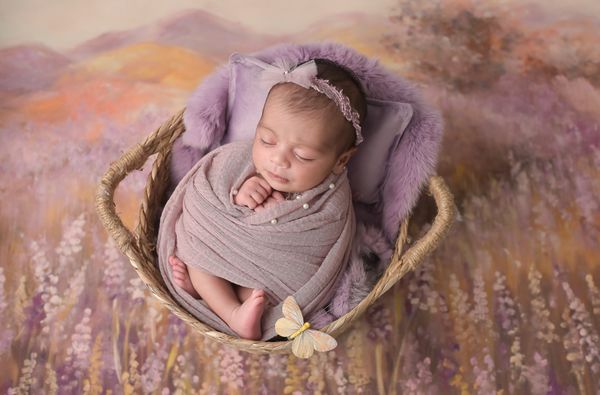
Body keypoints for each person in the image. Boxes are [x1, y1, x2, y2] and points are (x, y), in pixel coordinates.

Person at [166, 58, 367, 340]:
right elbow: (210, 200)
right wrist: (241, 192)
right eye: (267, 141)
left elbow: (316, 246)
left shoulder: (331, 202)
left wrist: (282, 215)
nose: (277, 160)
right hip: (217, 247)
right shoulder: (240, 160)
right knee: (199, 256)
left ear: (340, 160)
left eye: (302, 156)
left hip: (272, 271)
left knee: (262, 295)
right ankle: (219, 302)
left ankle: (232, 308)